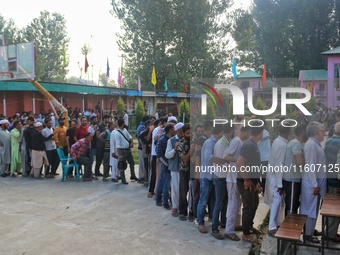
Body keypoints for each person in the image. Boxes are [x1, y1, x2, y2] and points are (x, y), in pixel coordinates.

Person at [236, 123, 263, 242]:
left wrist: (256, 181)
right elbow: (240, 163)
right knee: (248, 206)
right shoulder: (249, 145)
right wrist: (246, 179)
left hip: (252, 181)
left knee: (254, 203)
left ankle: (250, 226)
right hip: (245, 182)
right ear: (261, 132)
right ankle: (246, 233)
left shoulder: (253, 144)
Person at [300, 121, 327, 244]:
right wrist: (315, 185)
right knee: (309, 209)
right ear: (317, 133)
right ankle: (308, 235)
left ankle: (310, 231)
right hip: (312, 184)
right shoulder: (311, 145)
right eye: (322, 131)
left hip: (315, 182)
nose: (324, 133)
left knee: (313, 208)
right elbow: (310, 166)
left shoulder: (315, 144)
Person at [223, 126, 251, 241]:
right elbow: (226, 155)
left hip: (237, 178)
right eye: (248, 133)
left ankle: (234, 225)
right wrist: (239, 160)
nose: (249, 135)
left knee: (237, 204)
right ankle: (229, 231)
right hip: (232, 178)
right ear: (243, 132)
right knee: (233, 204)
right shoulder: (236, 141)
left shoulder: (241, 142)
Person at [196, 124, 224, 237]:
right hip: (207, 176)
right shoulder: (209, 142)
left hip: (214, 176)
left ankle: (213, 220)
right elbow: (208, 157)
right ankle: (200, 223)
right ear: (220, 131)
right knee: (203, 201)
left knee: (213, 201)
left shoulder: (218, 142)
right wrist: (223, 162)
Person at [265, 125, 290, 237]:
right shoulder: (282, 145)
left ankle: (277, 224)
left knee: (277, 201)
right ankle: (272, 227)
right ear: (289, 131)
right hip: (275, 177)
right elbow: (279, 164)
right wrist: (280, 184)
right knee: (277, 200)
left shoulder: (277, 141)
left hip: (273, 175)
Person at [210, 123, 234, 237]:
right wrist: (230, 166)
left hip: (224, 176)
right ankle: (214, 228)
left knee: (224, 202)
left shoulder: (227, 142)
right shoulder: (221, 144)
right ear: (231, 130)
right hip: (219, 176)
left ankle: (223, 222)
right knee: (219, 202)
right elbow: (218, 161)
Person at [282, 125, 307, 215]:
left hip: (290, 178)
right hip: (292, 179)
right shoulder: (296, 144)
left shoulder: (292, 142)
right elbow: (299, 162)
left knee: (292, 204)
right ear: (303, 132)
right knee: (292, 207)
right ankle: (290, 226)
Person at [325, 122, 340, 242]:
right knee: (335, 210)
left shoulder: (328, 141)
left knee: (329, 208)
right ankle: (330, 235)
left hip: (328, 179)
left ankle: (328, 232)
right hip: (336, 181)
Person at [165, 122, 184, 217]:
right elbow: (167, 154)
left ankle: (183, 207)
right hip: (175, 168)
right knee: (175, 189)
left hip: (185, 169)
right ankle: (175, 207)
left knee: (184, 190)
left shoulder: (187, 140)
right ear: (178, 131)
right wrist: (174, 149)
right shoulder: (171, 141)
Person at [155, 124, 175, 210]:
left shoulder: (172, 139)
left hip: (171, 165)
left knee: (163, 183)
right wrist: (166, 164)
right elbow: (159, 155)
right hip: (166, 166)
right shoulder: (163, 140)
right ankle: (164, 202)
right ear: (170, 130)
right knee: (165, 184)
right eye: (174, 128)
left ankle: (160, 199)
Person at [177, 124, 192, 221]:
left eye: (191, 133)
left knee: (194, 193)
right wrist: (192, 149)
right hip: (184, 170)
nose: (189, 135)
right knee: (183, 191)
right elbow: (185, 159)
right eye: (187, 133)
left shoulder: (195, 142)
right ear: (183, 133)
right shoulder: (180, 145)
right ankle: (182, 211)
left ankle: (192, 211)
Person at [116, 118, 136, 184]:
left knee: (132, 163)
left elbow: (130, 137)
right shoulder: (117, 133)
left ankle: (133, 175)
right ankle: (123, 179)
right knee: (122, 165)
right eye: (124, 123)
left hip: (127, 149)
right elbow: (118, 145)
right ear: (122, 124)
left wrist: (131, 143)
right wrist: (119, 154)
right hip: (122, 150)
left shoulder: (125, 130)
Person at [136, 115, 149, 182]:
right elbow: (139, 136)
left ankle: (141, 176)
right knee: (143, 163)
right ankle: (142, 176)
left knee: (141, 163)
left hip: (140, 147)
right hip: (141, 147)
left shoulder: (140, 126)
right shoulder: (142, 127)